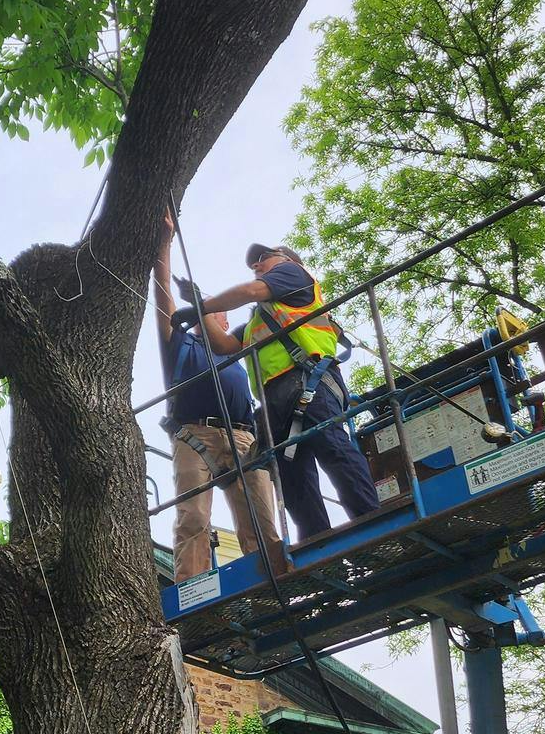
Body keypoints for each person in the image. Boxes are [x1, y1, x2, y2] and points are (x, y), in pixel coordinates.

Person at [200, 242, 382, 543]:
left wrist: (206, 306)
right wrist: (200, 307)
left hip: (310, 380)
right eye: (253, 264)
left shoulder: (294, 274)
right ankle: (318, 540)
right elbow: (223, 346)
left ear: (287, 259)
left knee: (333, 450)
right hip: (275, 398)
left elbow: (250, 291)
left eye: (263, 259)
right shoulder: (257, 321)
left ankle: (372, 520)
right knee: (291, 473)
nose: (257, 265)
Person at [153, 225, 286, 581]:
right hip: (195, 435)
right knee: (193, 515)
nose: (208, 312)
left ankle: (272, 580)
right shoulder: (181, 345)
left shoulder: (236, 350)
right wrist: (163, 247)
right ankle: (191, 586)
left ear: (225, 319)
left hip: (244, 437)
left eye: (215, 309)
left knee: (260, 516)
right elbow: (164, 297)